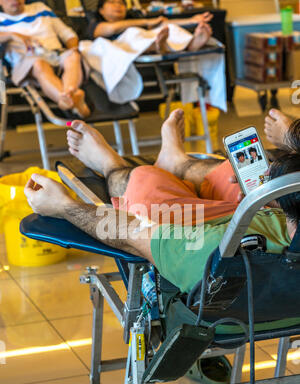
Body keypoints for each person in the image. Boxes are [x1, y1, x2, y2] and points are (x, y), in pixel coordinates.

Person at [24, 109, 297, 294]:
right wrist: (273, 199)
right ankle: (176, 163)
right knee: (234, 173)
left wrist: (64, 207)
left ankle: (112, 167)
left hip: (210, 228)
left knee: (145, 183)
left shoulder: (206, 254)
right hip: (265, 218)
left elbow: (131, 232)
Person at [0, 0, 90, 117]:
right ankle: (72, 100)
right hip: (27, 61)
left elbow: (68, 34)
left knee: (73, 56)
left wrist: (74, 49)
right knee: (38, 63)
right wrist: (12, 35)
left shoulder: (41, 8)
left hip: (56, 55)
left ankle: (67, 97)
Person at [86, 0, 213, 54]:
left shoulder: (134, 17)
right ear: (101, 10)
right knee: (135, 35)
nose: (118, 5)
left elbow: (162, 24)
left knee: (169, 29)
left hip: (146, 39)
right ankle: (162, 46)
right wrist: (147, 22)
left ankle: (191, 43)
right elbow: (112, 28)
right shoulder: (95, 23)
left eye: (121, 2)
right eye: (112, 2)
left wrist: (191, 20)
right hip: (124, 46)